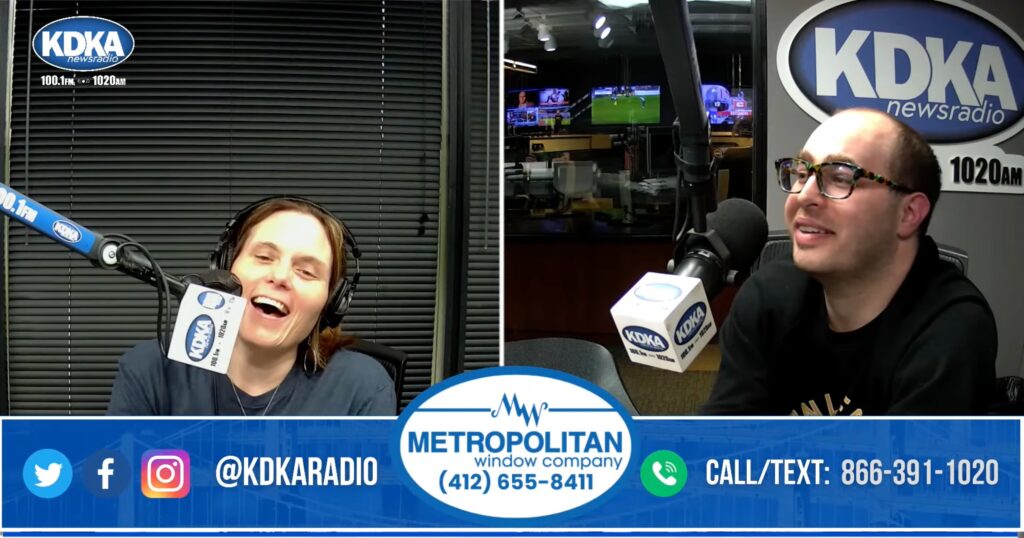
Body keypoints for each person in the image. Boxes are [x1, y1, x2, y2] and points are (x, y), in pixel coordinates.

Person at [702, 108, 997, 415]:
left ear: (908, 213)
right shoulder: (767, 296)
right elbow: (725, 433)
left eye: (841, 178)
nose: (803, 195)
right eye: (802, 173)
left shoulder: (951, 329)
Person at [107, 197, 397, 416]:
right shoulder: (149, 369)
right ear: (225, 269)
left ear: (331, 303)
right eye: (264, 257)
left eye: (307, 272)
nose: (280, 276)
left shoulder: (363, 387)